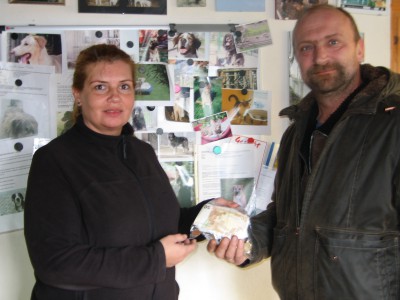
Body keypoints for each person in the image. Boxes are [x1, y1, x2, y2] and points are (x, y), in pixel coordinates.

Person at [207, 4, 400, 299]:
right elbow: (284, 217)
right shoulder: (296, 132)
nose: (320, 57)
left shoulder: (393, 123)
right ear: (297, 57)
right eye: (306, 47)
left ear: (359, 49)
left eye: (333, 42)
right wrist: (245, 241)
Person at [24, 44, 235, 300]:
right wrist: (156, 259)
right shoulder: (55, 160)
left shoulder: (142, 152)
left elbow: (157, 226)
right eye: (100, 87)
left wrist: (206, 216)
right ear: (78, 94)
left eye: (124, 86)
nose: (115, 97)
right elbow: (56, 263)